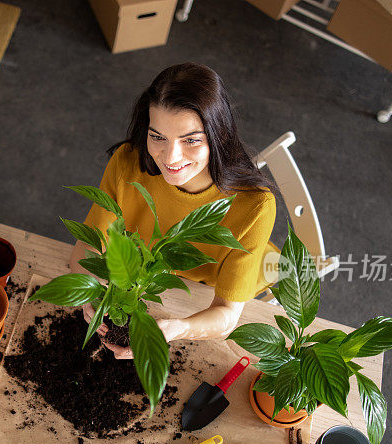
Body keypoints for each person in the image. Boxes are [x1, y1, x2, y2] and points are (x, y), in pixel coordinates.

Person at [69, 62, 278, 359]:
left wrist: (174, 329)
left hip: (207, 285)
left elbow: (227, 315)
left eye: (191, 140)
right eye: (157, 137)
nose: (170, 157)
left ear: (218, 136)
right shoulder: (129, 161)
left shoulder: (254, 205)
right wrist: (90, 294)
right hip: (148, 273)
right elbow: (88, 246)